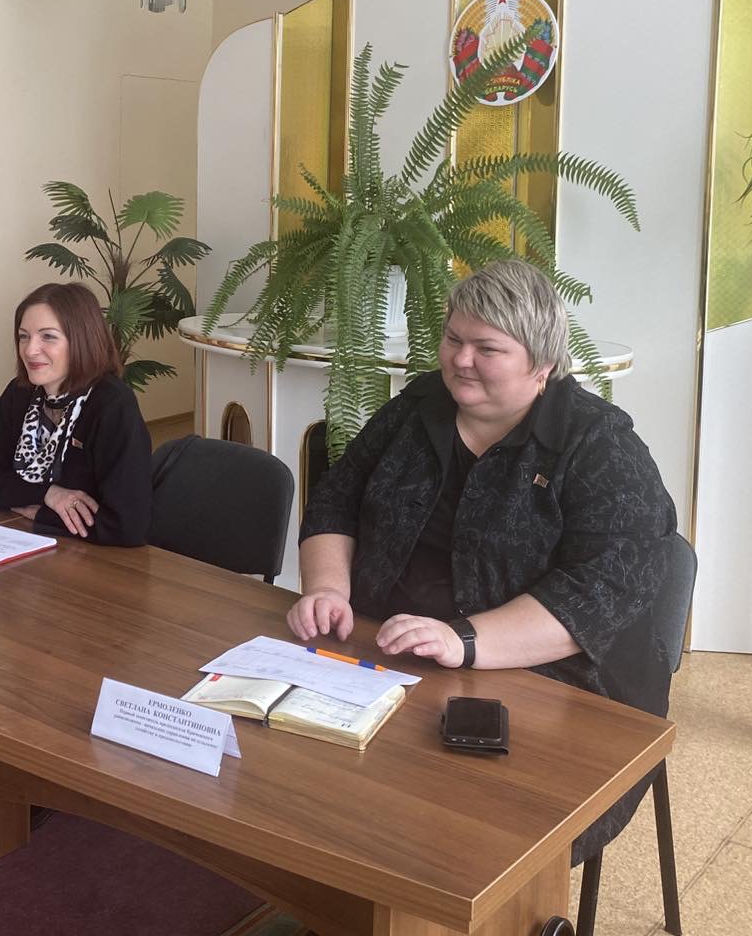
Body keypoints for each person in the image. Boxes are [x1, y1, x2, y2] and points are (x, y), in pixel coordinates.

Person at [288, 258, 675, 863]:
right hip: (387, 655)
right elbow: (337, 498)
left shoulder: (600, 446)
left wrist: (464, 640)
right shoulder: (418, 407)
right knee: (300, 784)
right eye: (453, 339)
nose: (459, 360)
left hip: (553, 686)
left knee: (454, 836)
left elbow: (602, 592)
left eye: (486, 348)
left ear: (542, 364)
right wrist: (327, 589)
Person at [0, 282, 152, 546]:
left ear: (81, 341)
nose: (30, 350)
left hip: (95, 558)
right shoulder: (20, 393)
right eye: (24, 336)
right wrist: (48, 494)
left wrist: (41, 514)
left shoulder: (112, 405)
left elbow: (127, 525)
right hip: (20, 540)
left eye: (48, 336)